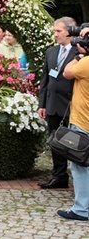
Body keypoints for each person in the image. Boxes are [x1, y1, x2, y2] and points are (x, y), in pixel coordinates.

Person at [38, 17, 79, 190]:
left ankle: (78, 176)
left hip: (72, 105)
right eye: (54, 31)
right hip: (52, 103)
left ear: (70, 31)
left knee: (74, 142)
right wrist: (42, 104)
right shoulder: (51, 52)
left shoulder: (79, 51)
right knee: (55, 141)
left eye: (58, 31)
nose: (55, 34)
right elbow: (45, 79)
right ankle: (59, 175)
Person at [58, 29, 89, 220]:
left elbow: (66, 72)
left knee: (80, 166)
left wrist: (78, 55)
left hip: (83, 122)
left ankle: (81, 209)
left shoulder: (85, 63)